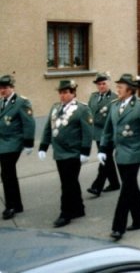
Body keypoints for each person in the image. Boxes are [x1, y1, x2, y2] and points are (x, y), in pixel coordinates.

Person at [99, 74, 140, 241]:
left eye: (120, 87)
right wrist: (103, 148)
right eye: (117, 87)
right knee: (131, 186)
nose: (117, 89)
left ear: (130, 89)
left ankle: (118, 227)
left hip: (134, 152)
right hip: (119, 152)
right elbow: (107, 130)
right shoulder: (114, 105)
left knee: (126, 189)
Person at [38, 80, 93, 227]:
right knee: (70, 182)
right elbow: (48, 128)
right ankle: (79, 208)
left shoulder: (82, 109)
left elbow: (87, 131)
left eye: (66, 92)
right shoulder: (55, 108)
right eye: (60, 93)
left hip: (73, 152)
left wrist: (85, 151)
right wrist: (43, 146)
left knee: (67, 184)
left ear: (73, 93)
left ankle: (65, 213)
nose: (62, 95)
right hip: (59, 152)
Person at [0, 75, 35, 220]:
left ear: (12, 88)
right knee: (9, 173)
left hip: (14, 142)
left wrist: (28, 143)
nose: (2, 91)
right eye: (1, 88)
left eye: (5, 88)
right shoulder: (1, 102)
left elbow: (29, 123)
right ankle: (17, 204)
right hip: (2, 143)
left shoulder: (21, 102)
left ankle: (11, 206)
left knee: (7, 173)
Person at [87, 72, 120, 197]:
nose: (101, 86)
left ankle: (97, 186)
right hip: (97, 132)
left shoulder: (114, 98)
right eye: (99, 84)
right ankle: (115, 183)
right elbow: (89, 113)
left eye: (104, 83)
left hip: (109, 133)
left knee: (105, 158)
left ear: (108, 83)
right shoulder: (93, 97)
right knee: (108, 158)